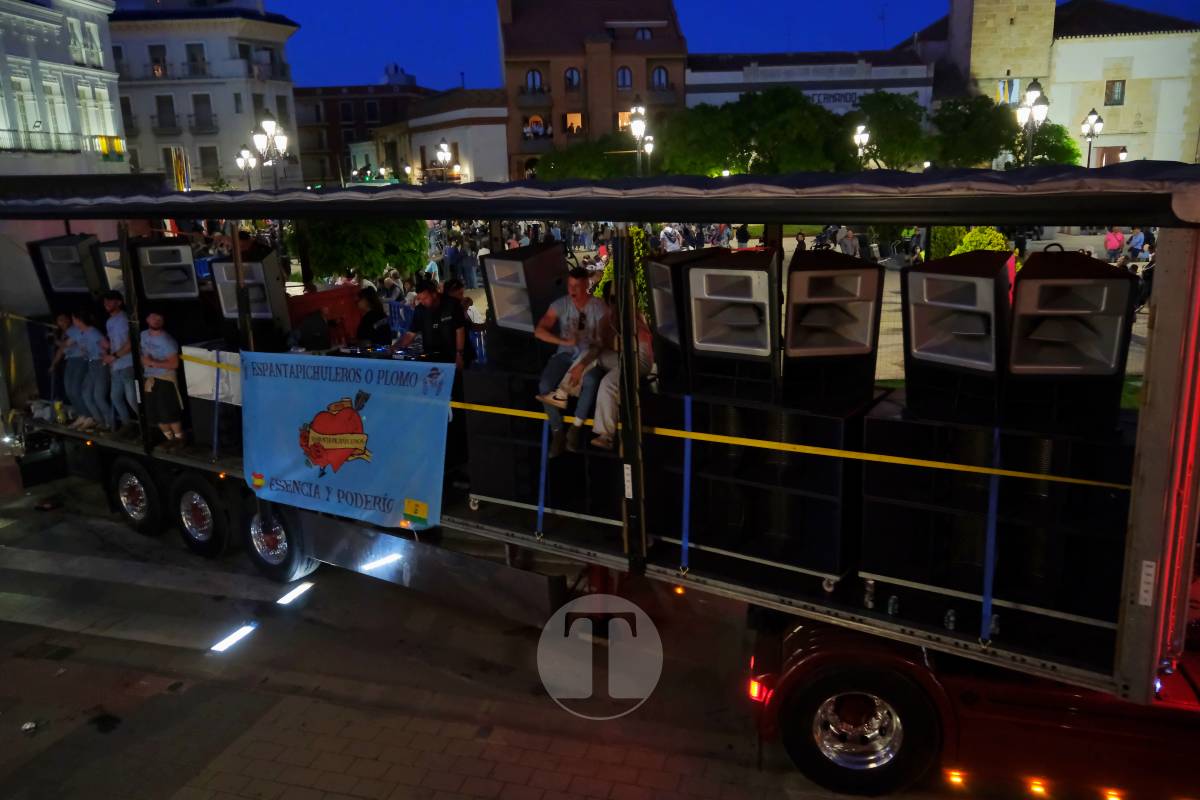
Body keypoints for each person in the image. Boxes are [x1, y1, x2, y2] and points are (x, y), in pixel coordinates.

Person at [533, 266, 607, 456]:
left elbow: (600, 344)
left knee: (590, 380)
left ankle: (575, 428)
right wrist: (563, 341)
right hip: (565, 354)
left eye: (577, 286)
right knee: (544, 385)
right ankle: (557, 431)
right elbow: (539, 331)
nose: (572, 290)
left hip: (590, 356)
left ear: (586, 285)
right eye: (570, 285)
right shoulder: (561, 304)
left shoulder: (598, 306)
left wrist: (581, 366)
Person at [397, 278, 468, 369]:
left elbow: (460, 330)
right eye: (420, 299)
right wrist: (396, 347)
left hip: (451, 356)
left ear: (434, 294)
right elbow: (411, 334)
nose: (422, 302)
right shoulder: (420, 310)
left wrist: (459, 354)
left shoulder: (452, 304)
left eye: (425, 298)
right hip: (429, 357)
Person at [140, 312, 184, 446]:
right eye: (154, 317)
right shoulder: (144, 335)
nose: (157, 320)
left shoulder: (167, 340)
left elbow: (174, 364)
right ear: (147, 319)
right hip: (149, 377)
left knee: (168, 412)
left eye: (160, 318)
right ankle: (170, 439)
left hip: (165, 377)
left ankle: (180, 439)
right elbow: (144, 351)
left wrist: (153, 363)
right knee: (154, 413)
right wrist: (144, 360)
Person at [69, 309, 110, 432]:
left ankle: (109, 424)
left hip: (99, 363)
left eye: (74, 319)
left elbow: (106, 345)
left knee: (98, 396)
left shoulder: (93, 332)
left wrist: (105, 355)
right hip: (91, 363)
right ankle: (98, 420)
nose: (73, 322)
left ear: (79, 320)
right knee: (86, 393)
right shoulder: (82, 333)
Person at [101, 291, 137, 433]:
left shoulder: (124, 319)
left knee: (132, 398)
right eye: (105, 302)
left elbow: (130, 343)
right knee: (115, 397)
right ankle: (128, 426)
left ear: (119, 302)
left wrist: (114, 356)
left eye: (110, 301)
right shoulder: (109, 321)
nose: (107, 304)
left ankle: (148, 427)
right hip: (116, 365)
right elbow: (113, 342)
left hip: (128, 363)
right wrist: (106, 352)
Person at [49, 312, 85, 417]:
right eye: (59, 320)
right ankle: (81, 415)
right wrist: (54, 364)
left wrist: (54, 340)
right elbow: (61, 350)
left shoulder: (75, 330)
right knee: (69, 390)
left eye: (63, 319)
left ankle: (88, 415)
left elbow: (65, 344)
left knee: (75, 389)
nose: (61, 322)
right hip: (70, 361)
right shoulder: (64, 333)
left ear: (69, 320)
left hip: (79, 359)